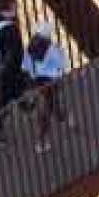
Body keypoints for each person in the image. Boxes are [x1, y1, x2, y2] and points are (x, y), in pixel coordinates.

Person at [22, 21, 70, 154]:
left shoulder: (29, 48)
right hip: (50, 82)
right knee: (47, 109)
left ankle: (61, 117)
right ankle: (41, 141)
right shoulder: (53, 50)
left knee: (47, 104)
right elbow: (63, 66)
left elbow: (25, 66)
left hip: (36, 81)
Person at [0, 0, 28, 149]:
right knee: (4, 101)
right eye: (15, 5)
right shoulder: (10, 29)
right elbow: (14, 53)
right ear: (10, 7)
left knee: (11, 92)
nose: (17, 8)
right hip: (9, 71)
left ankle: (24, 105)